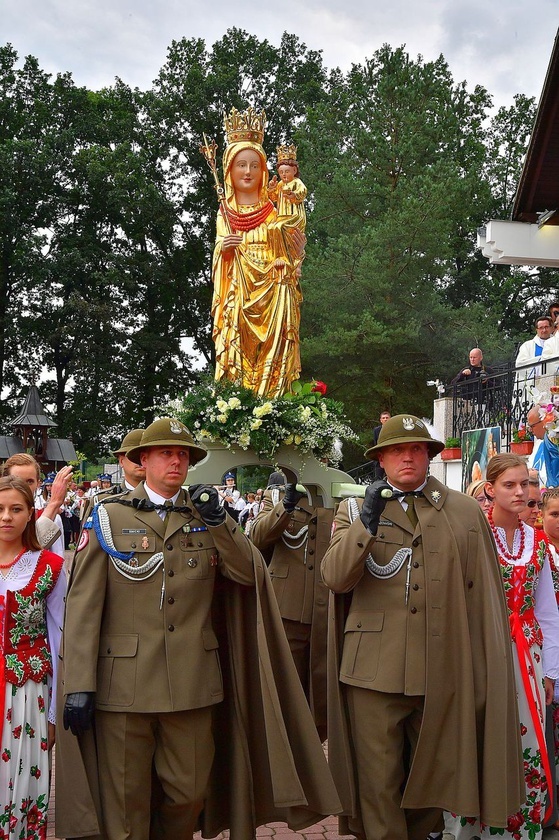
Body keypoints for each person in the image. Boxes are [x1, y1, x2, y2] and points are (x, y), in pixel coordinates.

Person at [58, 417, 340, 840]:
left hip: (192, 683)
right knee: (125, 800)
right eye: (166, 453)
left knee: (188, 793)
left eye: (183, 455)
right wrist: (79, 683)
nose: (176, 461)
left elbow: (248, 573)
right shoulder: (108, 517)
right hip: (124, 688)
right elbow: (83, 606)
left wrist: (220, 521)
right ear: (144, 460)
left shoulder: (206, 515)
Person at [321, 414, 523, 840]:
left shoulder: (465, 511)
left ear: (430, 456)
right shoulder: (356, 509)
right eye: (397, 450)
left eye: (417, 449)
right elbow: (335, 578)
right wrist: (367, 524)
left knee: (433, 784)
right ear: (381, 459)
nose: (407, 457)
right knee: (378, 785)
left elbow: (482, 598)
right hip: (373, 671)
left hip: (442, 668)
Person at [447, 453, 559, 839]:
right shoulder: (475, 537)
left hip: (528, 654)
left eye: (525, 484)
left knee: (528, 735)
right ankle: (471, 827)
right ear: (490, 490)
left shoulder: (539, 545)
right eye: (509, 485)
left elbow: (547, 612)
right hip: (484, 651)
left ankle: (519, 826)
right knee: (481, 733)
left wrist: (550, 671)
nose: (520, 492)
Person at [211, 106, 304, 398]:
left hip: (274, 289)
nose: (248, 171)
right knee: (235, 340)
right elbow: (219, 255)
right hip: (238, 292)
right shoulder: (224, 213)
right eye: (241, 165)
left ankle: (273, 399)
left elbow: (292, 252)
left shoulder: (275, 211)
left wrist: (296, 258)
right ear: (229, 169)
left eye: (254, 165)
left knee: (279, 341)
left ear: (264, 170)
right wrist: (223, 250)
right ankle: (236, 404)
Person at [0, 474, 66, 838]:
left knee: (22, 782)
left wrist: (55, 709)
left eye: (16, 509)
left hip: (26, 693)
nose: (6, 517)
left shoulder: (50, 568)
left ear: (31, 514)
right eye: (0, 509)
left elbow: (59, 637)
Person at [250, 480, 333, 740]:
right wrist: (285, 505)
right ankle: (285, 746)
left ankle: (317, 744)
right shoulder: (275, 496)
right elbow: (257, 538)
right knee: (285, 684)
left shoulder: (335, 493)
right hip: (288, 608)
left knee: (322, 689)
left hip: (326, 607)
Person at [1, 454, 74, 558]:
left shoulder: (54, 519)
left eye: (29, 481)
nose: (24, 487)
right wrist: (53, 504)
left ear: (38, 483)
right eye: (17, 480)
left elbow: (56, 561)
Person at [267, 144, 307, 274]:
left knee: (280, 227)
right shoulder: (279, 184)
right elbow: (273, 198)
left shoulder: (296, 182)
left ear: (294, 171)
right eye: (281, 172)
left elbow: (303, 192)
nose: (284, 175)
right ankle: (278, 256)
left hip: (294, 216)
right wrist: (272, 188)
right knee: (271, 228)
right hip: (282, 216)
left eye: (287, 172)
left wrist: (293, 195)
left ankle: (286, 258)